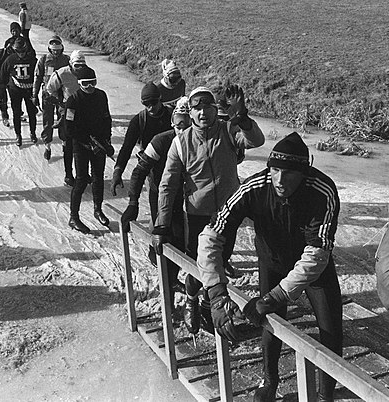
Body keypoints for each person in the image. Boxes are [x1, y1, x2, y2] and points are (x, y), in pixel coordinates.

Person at [198, 132, 342, 402]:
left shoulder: (321, 190)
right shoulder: (255, 187)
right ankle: (270, 380)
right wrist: (216, 294)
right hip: (272, 261)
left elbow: (318, 252)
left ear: (303, 173)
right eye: (274, 170)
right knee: (270, 324)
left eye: (288, 174)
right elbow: (212, 235)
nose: (279, 180)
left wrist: (276, 295)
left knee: (330, 328)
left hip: (313, 269)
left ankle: (325, 394)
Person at [156, 85, 264, 334]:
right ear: (190, 113)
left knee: (221, 260)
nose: (202, 111)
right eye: (197, 107)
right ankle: (195, 301)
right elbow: (168, 185)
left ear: (215, 109)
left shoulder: (228, 130)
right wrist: (162, 223)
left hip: (230, 211)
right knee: (201, 265)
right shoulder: (181, 143)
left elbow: (255, 140)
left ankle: (203, 300)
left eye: (207, 105)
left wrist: (243, 120)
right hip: (198, 214)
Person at [121, 96, 191, 289]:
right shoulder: (160, 141)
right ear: (172, 124)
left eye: (187, 126)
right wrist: (132, 203)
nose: (182, 131)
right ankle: (167, 281)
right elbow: (139, 171)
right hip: (161, 192)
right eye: (178, 126)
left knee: (187, 241)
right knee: (169, 236)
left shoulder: (199, 140)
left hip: (186, 193)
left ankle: (174, 276)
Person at [64, 66, 113, 233]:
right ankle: (74, 217)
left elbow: (107, 119)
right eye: (86, 84)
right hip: (81, 145)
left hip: (98, 143)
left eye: (93, 83)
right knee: (82, 179)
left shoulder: (101, 96)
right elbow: (69, 129)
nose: (90, 87)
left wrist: (106, 141)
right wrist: (88, 143)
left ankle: (98, 209)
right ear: (80, 84)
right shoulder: (73, 100)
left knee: (98, 177)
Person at [111, 82, 172, 199]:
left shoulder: (172, 115)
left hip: (172, 163)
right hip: (152, 167)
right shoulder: (138, 121)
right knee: (156, 202)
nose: (150, 107)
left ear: (160, 99)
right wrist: (118, 171)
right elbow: (127, 148)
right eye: (146, 104)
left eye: (153, 103)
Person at [46, 50, 88, 186]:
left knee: (84, 144)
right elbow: (49, 88)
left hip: (83, 112)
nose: (80, 68)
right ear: (71, 64)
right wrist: (59, 101)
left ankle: (84, 173)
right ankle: (68, 174)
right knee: (68, 145)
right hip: (67, 113)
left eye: (82, 65)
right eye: (77, 65)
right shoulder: (61, 73)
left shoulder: (88, 73)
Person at [33, 35, 70, 159]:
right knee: (47, 121)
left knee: (63, 120)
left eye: (58, 49)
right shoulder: (43, 60)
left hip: (62, 96)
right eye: (53, 49)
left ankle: (65, 143)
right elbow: (38, 78)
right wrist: (34, 94)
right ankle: (47, 146)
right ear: (50, 49)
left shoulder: (67, 60)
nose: (55, 51)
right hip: (47, 95)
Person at [1, 37, 38, 146]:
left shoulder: (32, 60)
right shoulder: (10, 59)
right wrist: (6, 86)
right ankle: (18, 135)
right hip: (15, 90)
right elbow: (3, 74)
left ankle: (33, 133)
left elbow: (38, 74)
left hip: (29, 90)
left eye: (22, 51)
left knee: (31, 112)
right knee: (16, 113)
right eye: (18, 51)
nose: (21, 54)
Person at [0, 22, 24, 126]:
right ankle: (5, 116)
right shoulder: (2, 52)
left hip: (12, 77)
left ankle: (18, 114)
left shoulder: (21, 51)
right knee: (3, 98)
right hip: (0, 77)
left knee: (16, 97)